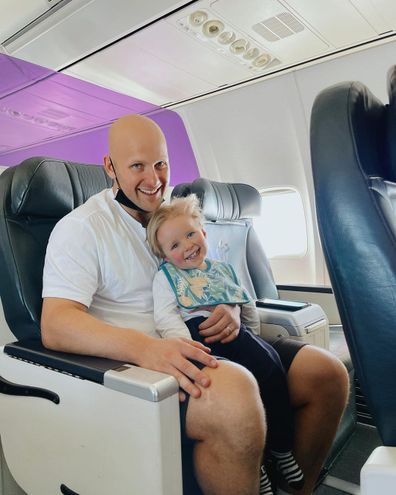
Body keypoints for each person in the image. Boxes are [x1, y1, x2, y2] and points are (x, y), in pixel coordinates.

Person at [41, 113, 349, 495]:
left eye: (160, 164)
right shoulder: (83, 228)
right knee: (235, 394)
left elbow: (214, 272)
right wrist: (149, 349)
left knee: (327, 373)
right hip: (141, 367)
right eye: (137, 166)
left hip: (208, 339)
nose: (153, 180)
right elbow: (56, 323)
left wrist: (232, 309)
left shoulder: (174, 213)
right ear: (110, 167)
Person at [146, 194, 304, 495]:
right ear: (165, 256)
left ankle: (282, 449)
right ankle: (256, 469)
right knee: (241, 394)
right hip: (197, 338)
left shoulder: (223, 270)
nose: (187, 246)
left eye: (190, 234)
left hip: (237, 334)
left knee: (271, 368)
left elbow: (245, 304)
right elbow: (166, 317)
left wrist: (253, 334)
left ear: (204, 232)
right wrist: (189, 352)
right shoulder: (166, 277)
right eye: (175, 245)